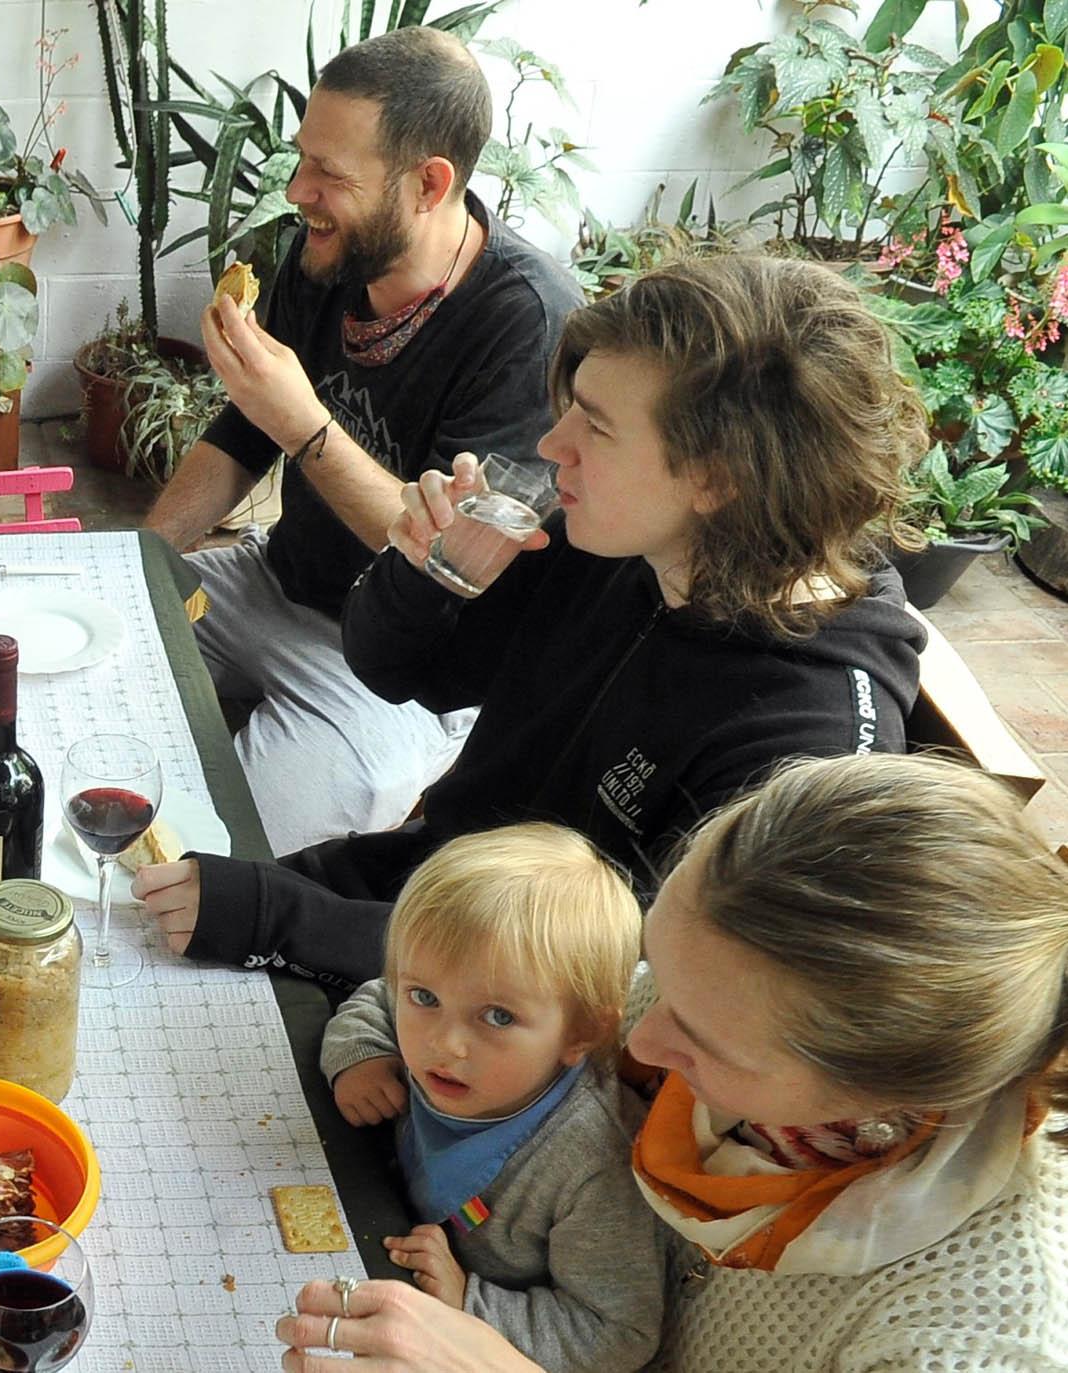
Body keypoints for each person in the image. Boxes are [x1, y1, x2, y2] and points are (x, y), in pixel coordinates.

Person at [141, 255, 926, 989]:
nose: (553, 444)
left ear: (718, 477)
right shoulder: (623, 546)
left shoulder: (805, 744)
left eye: (597, 426)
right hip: (409, 893)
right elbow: (402, 672)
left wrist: (279, 918)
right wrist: (423, 569)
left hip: (487, 1008)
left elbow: (604, 979)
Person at [274, 753, 1068, 1369]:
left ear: (873, 1092)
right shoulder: (704, 997)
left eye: (703, 1038)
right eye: (655, 969)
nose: (639, 1043)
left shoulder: (969, 1332)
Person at [141, 25, 582, 857]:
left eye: (330, 174)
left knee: (219, 855)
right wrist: (143, 565)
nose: (297, 191)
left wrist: (302, 422)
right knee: (82, 649)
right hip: (270, 580)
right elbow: (241, 433)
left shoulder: (528, 326)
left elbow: (448, 556)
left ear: (428, 184)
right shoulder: (326, 256)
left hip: (393, 673)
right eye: (302, 159)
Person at [321, 824, 661, 1372]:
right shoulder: (438, 1025)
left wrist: (470, 1302)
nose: (445, 1044)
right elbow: (378, 998)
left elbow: (618, 1335)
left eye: (498, 1017)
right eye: (426, 996)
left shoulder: (594, 1165)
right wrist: (360, 1055)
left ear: (583, 1034)